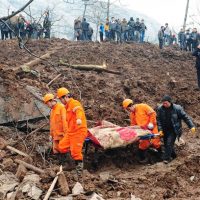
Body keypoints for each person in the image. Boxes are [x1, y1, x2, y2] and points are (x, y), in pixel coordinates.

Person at [57, 88, 88, 180]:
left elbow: (79, 110)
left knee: (76, 152)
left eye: (61, 99)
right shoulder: (67, 107)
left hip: (78, 131)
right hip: (71, 132)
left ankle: (79, 174)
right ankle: (70, 165)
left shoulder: (74, 103)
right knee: (62, 146)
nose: (61, 101)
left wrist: (78, 119)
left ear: (65, 97)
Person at [157, 95, 196, 164]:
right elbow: (159, 120)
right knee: (166, 144)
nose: (164, 104)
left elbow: (185, 117)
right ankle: (174, 156)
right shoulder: (160, 109)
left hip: (174, 129)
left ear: (170, 102)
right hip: (165, 129)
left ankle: (166, 159)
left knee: (169, 143)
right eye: (163, 103)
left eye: (166, 103)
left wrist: (191, 126)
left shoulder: (177, 108)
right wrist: (160, 129)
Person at [43, 93, 68, 164]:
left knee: (64, 149)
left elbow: (65, 121)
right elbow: (52, 124)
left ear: (51, 101)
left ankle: (66, 164)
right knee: (56, 150)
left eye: (47, 104)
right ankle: (60, 164)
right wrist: (51, 134)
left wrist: (66, 133)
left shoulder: (61, 107)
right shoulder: (52, 111)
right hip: (55, 135)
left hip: (62, 134)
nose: (47, 106)